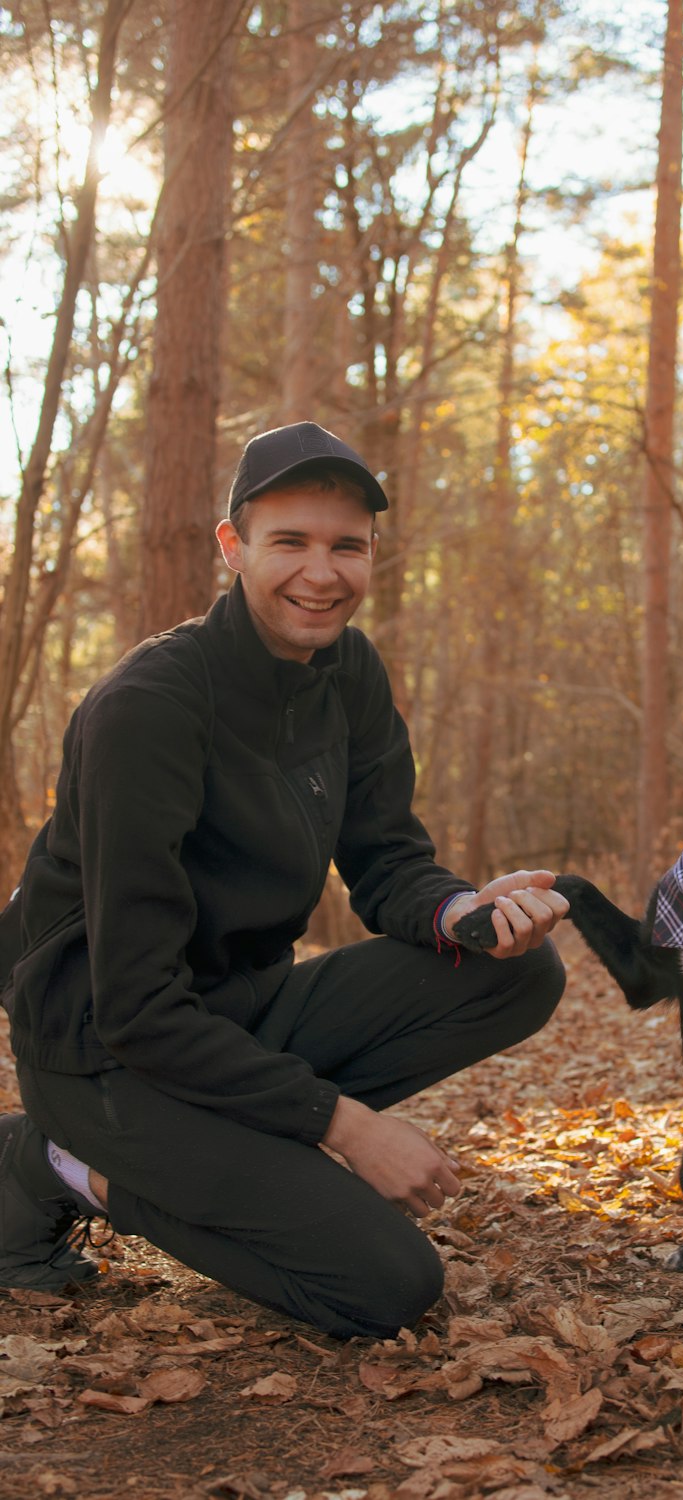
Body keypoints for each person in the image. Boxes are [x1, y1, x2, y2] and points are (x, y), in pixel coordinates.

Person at [0, 420, 567, 1337]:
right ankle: (65, 1163)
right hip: (104, 1049)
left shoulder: (349, 672)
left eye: (347, 546)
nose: (321, 572)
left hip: (237, 1011)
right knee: (386, 1288)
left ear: (374, 556)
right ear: (234, 548)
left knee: (520, 971)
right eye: (290, 542)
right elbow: (136, 1006)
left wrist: (462, 909)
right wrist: (342, 1127)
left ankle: (217, 1150)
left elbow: (386, 861)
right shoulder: (147, 711)